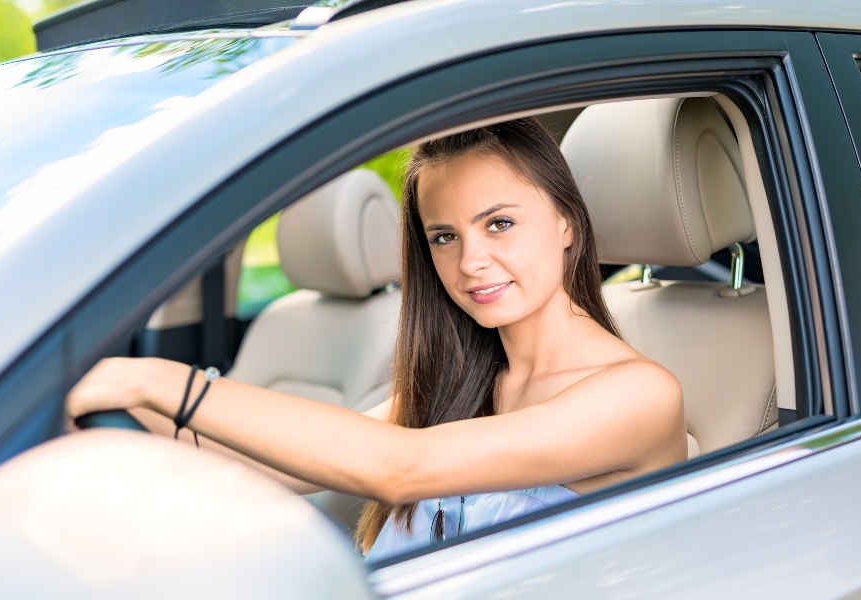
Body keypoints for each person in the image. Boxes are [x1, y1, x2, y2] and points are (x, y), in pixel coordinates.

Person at [66, 118, 686, 561]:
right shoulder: (463, 381)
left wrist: (156, 380)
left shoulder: (638, 396)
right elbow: (284, 468)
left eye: (499, 224)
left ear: (566, 222)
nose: (472, 260)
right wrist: (127, 421)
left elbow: (400, 469)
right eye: (444, 237)